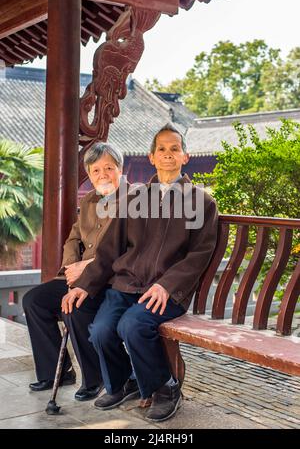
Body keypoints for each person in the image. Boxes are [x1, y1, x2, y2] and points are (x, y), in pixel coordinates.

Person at [63, 123, 219, 421]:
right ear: (151, 157)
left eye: (175, 149)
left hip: (167, 289)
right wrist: (85, 284)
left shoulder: (200, 201)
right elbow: (109, 250)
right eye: (161, 149)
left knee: (132, 326)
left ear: (186, 156)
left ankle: (165, 387)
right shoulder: (135, 199)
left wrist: (167, 285)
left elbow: (199, 254)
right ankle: (125, 382)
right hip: (126, 284)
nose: (168, 155)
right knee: (101, 331)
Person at [22, 142, 124, 401]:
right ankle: (57, 371)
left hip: (109, 280)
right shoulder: (90, 200)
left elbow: (128, 250)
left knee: (75, 307)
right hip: (78, 275)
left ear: (120, 170)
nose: (102, 175)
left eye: (109, 168)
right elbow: (73, 239)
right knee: (34, 301)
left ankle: (96, 378)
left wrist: (86, 268)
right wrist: (70, 268)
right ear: (89, 174)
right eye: (96, 170)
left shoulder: (133, 201)